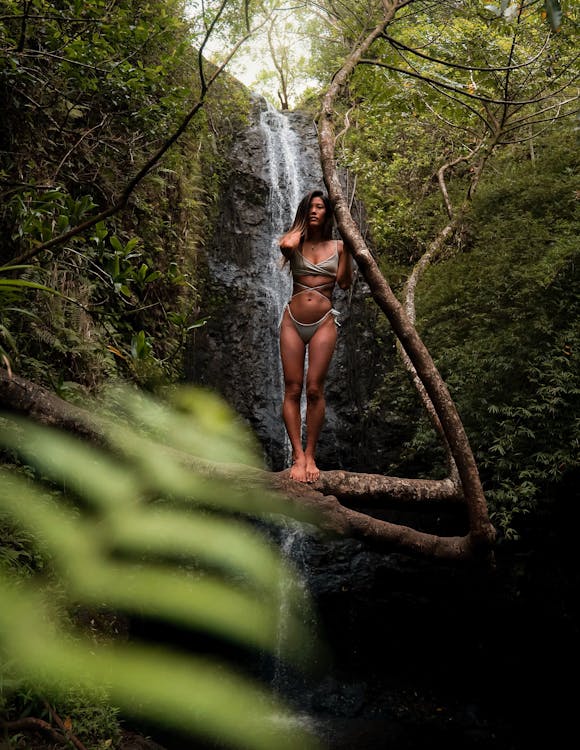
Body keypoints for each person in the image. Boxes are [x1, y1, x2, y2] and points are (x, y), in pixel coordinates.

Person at [279, 190, 353, 483]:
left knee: (314, 389)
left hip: (323, 321)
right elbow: (286, 245)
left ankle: (311, 454)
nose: (314, 211)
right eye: (310, 207)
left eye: (320, 207)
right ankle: (297, 455)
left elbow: (345, 284)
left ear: (328, 214)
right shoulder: (295, 242)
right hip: (292, 321)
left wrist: (348, 245)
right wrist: (300, 227)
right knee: (292, 389)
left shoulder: (339, 246)